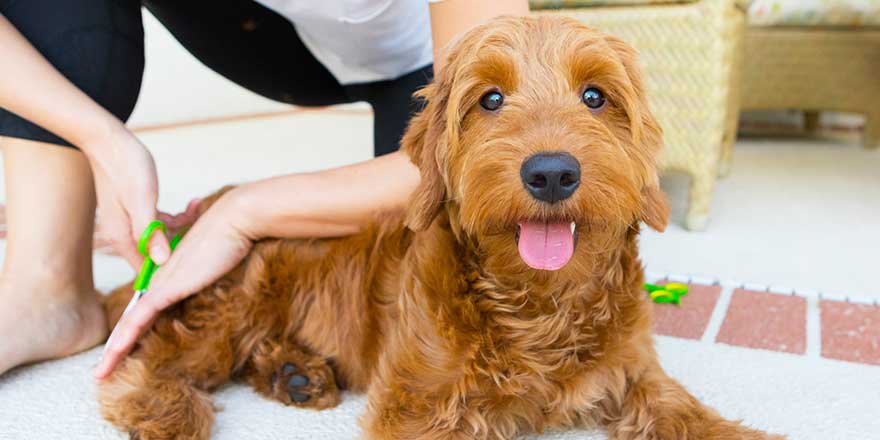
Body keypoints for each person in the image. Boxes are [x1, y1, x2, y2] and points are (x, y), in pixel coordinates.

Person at [0, 0, 529, 377]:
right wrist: (103, 138)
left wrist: (242, 211)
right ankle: (45, 284)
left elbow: (487, 143)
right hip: (256, 28)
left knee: (411, 280)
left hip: (414, 59)